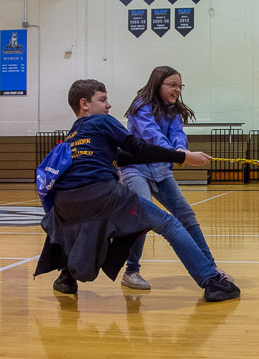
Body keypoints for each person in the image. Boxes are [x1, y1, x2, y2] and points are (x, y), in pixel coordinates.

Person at [33, 79, 241, 302]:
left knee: (80, 229)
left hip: (64, 203)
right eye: (102, 99)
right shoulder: (102, 121)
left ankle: (66, 278)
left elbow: (123, 157)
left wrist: (172, 158)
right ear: (84, 104)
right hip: (101, 194)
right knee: (169, 224)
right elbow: (137, 146)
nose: (109, 105)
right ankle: (211, 281)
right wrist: (183, 157)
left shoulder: (74, 134)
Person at [119, 66, 231, 290]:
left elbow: (177, 135)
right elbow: (153, 136)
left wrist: (183, 152)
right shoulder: (140, 106)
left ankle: (210, 267)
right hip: (135, 169)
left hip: (160, 169)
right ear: (158, 83)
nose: (177, 90)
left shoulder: (173, 111)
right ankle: (131, 271)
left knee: (186, 215)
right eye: (172, 85)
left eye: (180, 86)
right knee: (143, 216)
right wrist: (182, 156)